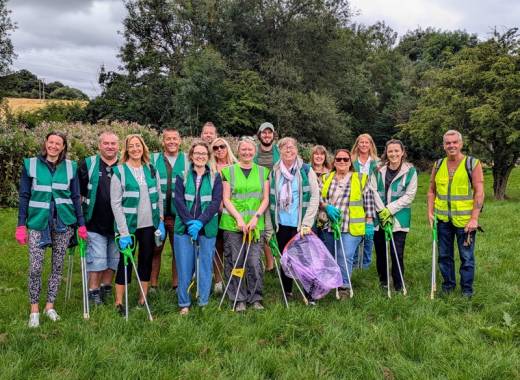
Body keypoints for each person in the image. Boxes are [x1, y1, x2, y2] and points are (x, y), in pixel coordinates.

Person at [16, 131, 87, 328]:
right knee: (35, 267)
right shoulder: (30, 164)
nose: (54, 146)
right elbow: (24, 196)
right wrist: (21, 225)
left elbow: (75, 197)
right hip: (38, 222)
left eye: (58, 143)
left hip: (63, 223)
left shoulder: (71, 167)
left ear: (63, 147)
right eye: (51, 142)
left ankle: (50, 306)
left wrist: (81, 224)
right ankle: (34, 310)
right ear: (45, 143)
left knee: (57, 266)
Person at [110, 134, 165, 315]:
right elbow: (115, 203)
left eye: (138, 145)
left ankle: (143, 298)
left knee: (146, 261)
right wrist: (123, 232)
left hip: (149, 226)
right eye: (131, 146)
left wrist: (161, 221)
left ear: (143, 148)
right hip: (129, 227)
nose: (135, 149)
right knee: (124, 262)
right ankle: (119, 302)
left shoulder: (151, 169)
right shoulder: (120, 171)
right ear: (127, 149)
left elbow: (159, 195)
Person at [427, 130, 484, 297]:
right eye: (448, 143)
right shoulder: (438, 165)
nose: (451, 145)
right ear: (444, 145)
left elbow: (479, 192)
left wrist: (474, 218)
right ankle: (448, 287)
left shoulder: (472, 163)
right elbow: (431, 191)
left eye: (454, 142)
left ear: (461, 144)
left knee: (466, 258)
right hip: (443, 219)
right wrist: (430, 212)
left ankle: (467, 291)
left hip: (465, 221)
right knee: (444, 256)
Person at [220, 136, 270, 312]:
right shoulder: (228, 171)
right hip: (233, 224)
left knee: (254, 262)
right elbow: (226, 199)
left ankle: (255, 297)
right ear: (238, 151)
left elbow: (265, 199)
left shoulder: (263, 172)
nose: (247, 153)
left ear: (254, 152)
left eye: (250, 150)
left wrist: (256, 217)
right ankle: (238, 297)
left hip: (256, 225)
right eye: (243, 150)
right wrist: (239, 219)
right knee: (235, 262)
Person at [174, 140, 223, 314]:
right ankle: (184, 303)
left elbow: (216, 202)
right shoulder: (182, 175)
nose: (200, 156)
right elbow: (178, 201)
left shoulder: (215, 177)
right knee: (184, 266)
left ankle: (203, 301)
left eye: (203, 154)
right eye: (197, 154)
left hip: (207, 227)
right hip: (184, 228)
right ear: (191, 156)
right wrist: (189, 222)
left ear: (208, 156)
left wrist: (200, 222)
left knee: (205, 266)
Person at [268, 137, 320, 302]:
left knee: (305, 259)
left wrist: (307, 223)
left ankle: (310, 293)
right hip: (282, 223)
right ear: (280, 151)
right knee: (285, 258)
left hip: (301, 225)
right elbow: (270, 200)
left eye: (291, 147)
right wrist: (270, 227)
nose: (288, 150)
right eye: (284, 148)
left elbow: (314, 197)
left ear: (297, 150)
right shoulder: (274, 171)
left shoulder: (306, 170)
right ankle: (287, 291)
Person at [320, 149, 376, 298]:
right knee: (331, 256)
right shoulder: (326, 178)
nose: (342, 162)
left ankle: (343, 287)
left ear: (350, 162)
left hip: (351, 225)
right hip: (330, 225)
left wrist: (369, 222)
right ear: (334, 162)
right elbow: (318, 198)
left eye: (345, 159)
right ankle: (330, 284)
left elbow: (369, 200)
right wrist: (326, 207)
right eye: (339, 159)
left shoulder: (360, 178)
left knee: (344, 255)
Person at [369, 139, 417, 291]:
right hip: (380, 217)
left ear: (402, 152)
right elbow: (373, 190)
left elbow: (409, 195)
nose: (393, 154)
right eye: (390, 151)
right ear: (386, 153)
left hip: (399, 218)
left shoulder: (410, 171)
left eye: (397, 151)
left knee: (397, 251)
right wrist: (382, 211)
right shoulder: (378, 170)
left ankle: (398, 283)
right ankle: (384, 281)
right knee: (381, 251)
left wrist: (390, 210)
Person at [79, 131, 119, 305]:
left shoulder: (124, 165)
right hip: (94, 222)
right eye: (106, 143)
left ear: (118, 146)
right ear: (99, 145)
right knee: (98, 259)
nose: (110, 147)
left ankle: (106, 287)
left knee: (114, 259)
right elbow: (78, 193)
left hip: (118, 224)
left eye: (113, 143)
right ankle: (93, 291)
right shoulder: (88, 164)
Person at [149, 128, 188, 292]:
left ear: (180, 141)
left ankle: (176, 285)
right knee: (155, 250)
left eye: (175, 138)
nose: (171, 142)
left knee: (178, 251)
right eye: (168, 139)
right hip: (158, 215)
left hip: (178, 215)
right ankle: (152, 285)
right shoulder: (153, 159)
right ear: (162, 141)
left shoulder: (187, 160)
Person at [209, 137, 238, 294]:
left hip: (233, 212)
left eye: (222, 146)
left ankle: (235, 280)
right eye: (215, 148)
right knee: (217, 246)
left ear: (227, 148)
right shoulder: (210, 168)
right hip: (215, 213)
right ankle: (218, 281)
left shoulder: (236, 166)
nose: (219, 150)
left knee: (232, 248)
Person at [253, 121, 280, 271]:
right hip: (258, 197)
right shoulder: (253, 152)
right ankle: (270, 264)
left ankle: (280, 260)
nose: (267, 135)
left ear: (273, 135)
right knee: (264, 228)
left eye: (269, 132)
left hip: (276, 197)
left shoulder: (279, 151)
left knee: (275, 229)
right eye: (264, 132)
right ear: (260, 134)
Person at [351, 133, 379, 269]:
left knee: (369, 233)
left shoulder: (377, 163)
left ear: (370, 145)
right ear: (357, 144)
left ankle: (366, 263)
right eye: (361, 142)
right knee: (355, 232)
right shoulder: (351, 161)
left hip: (372, 199)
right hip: (355, 200)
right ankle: (355, 262)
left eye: (366, 142)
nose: (363, 145)